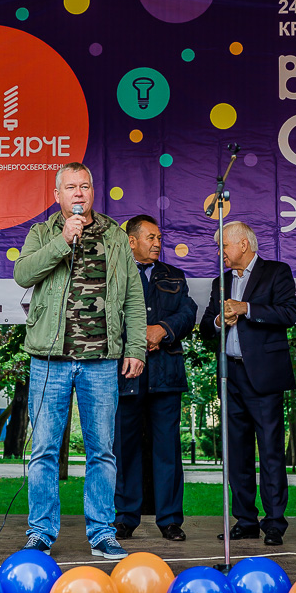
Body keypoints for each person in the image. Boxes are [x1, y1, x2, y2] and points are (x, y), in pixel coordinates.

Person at [12, 162, 146, 561]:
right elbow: (23, 274)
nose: (78, 193)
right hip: (49, 358)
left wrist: (135, 348)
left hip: (101, 360)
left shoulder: (115, 236)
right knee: (44, 450)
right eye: (70, 187)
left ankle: (103, 533)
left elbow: (133, 296)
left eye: (84, 186)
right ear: (58, 195)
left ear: (92, 191)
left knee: (102, 451)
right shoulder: (43, 232)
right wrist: (62, 241)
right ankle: (40, 532)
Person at [200, 220, 296, 546]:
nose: (220, 253)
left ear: (243, 244)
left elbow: (289, 314)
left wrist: (247, 308)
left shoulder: (277, 272)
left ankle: (274, 523)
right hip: (231, 376)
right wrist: (219, 319)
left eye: (224, 247)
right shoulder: (221, 282)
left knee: (270, 452)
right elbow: (206, 327)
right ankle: (245, 521)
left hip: (264, 376)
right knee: (236, 453)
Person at [113, 215, 198, 543]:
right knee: (125, 449)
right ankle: (124, 519)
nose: (158, 243)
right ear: (131, 241)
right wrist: (138, 336)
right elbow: (106, 316)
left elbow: (188, 312)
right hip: (125, 375)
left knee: (168, 450)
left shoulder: (174, 275)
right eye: (151, 237)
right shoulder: (115, 274)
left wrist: (163, 330)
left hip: (166, 374)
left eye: (159, 238)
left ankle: (170, 520)